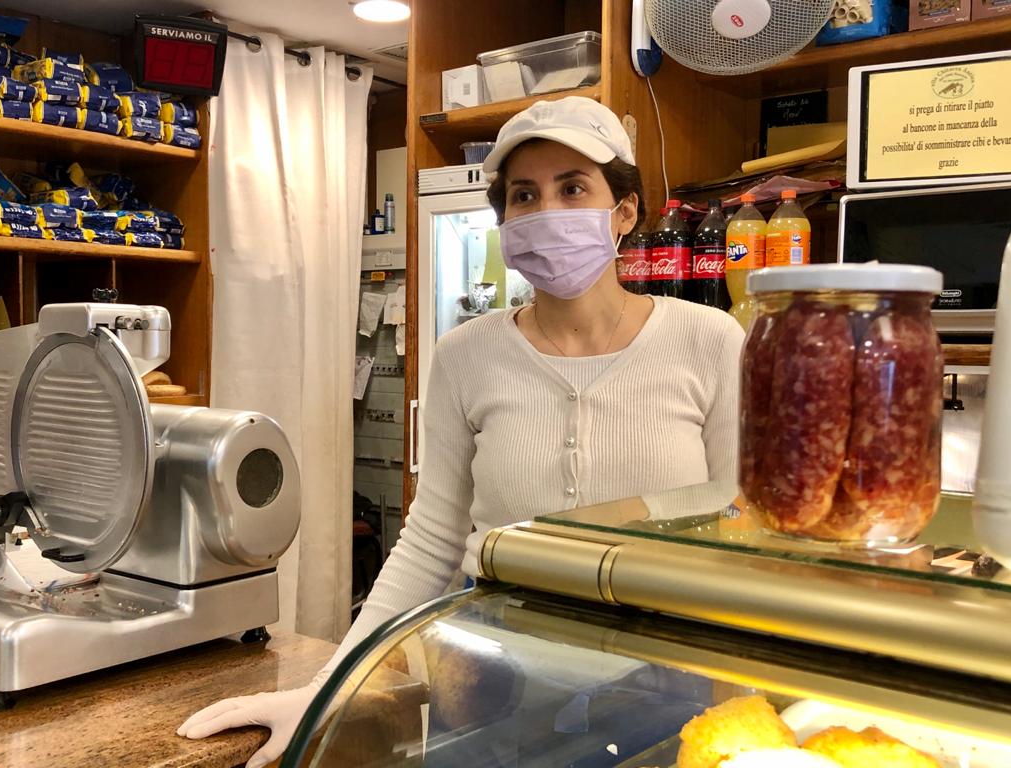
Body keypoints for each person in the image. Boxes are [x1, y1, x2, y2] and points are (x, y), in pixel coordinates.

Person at [178, 96, 744, 767]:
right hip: (491, 692)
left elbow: (738, 533)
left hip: (662, 691)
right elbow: (432, 539)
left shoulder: (709, 341)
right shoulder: (465, 355)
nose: (547, 211)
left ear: (624, 211)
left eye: (573, 189)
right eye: (524, 195)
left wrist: (750, 691)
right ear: (504, 221)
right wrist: (330, 687)